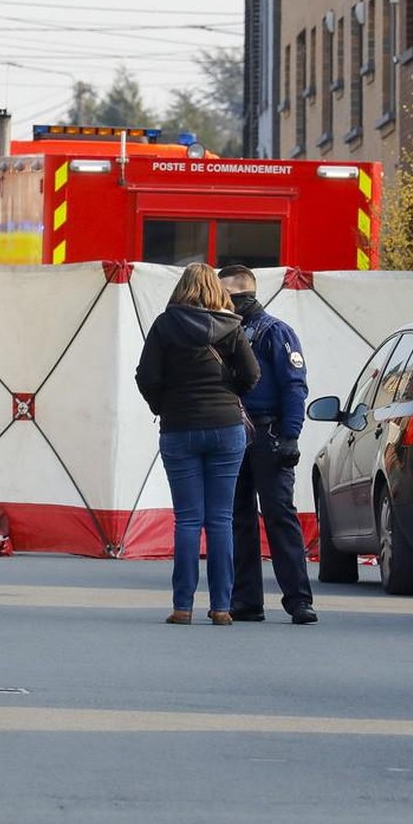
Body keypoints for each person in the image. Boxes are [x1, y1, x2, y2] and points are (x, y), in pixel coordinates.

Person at [135, 263, 259, 626]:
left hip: (179, 428)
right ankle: (222, 607)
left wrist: (163, 405)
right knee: (220, 519)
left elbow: (146, 376)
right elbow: (252, 374)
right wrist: (228, 396)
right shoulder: (232, 326)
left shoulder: (165, 325)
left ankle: (182, 606)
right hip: (225, 428)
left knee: (187, 520)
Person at [217, 264, 317, 625]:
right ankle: (246, 600)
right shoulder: (225, 333)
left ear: (242, 298)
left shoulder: (275, 332)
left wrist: (291, 435)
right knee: (237, 518)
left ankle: (299, 600)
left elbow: (294, 384)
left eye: (224, 297)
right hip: (234, 432)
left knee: (279, 516)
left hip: (268, 431)